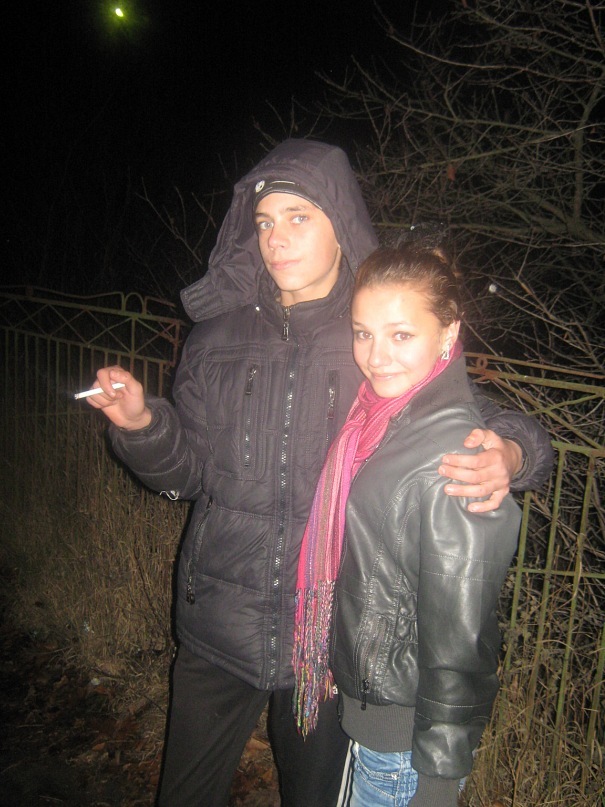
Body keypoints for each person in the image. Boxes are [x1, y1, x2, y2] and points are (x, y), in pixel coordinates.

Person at [85, 139, 552, 807]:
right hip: (217, 621)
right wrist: (140, 425)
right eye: (264, 221)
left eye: (298, 216)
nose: (275, 237)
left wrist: (510, 452)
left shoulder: (371, 333)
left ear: (341, 223)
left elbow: (465, 412)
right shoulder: (215, 340)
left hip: (326, 641)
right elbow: (185, 475)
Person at [293, 241, 522, 807]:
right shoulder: (379, 419)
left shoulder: (455, 454)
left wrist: (438, 782)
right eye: (364, 333)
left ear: (448, 332)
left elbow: (462, 636)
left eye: (401, 335)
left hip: (406, 746)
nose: (376, 356)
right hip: (375, 720)